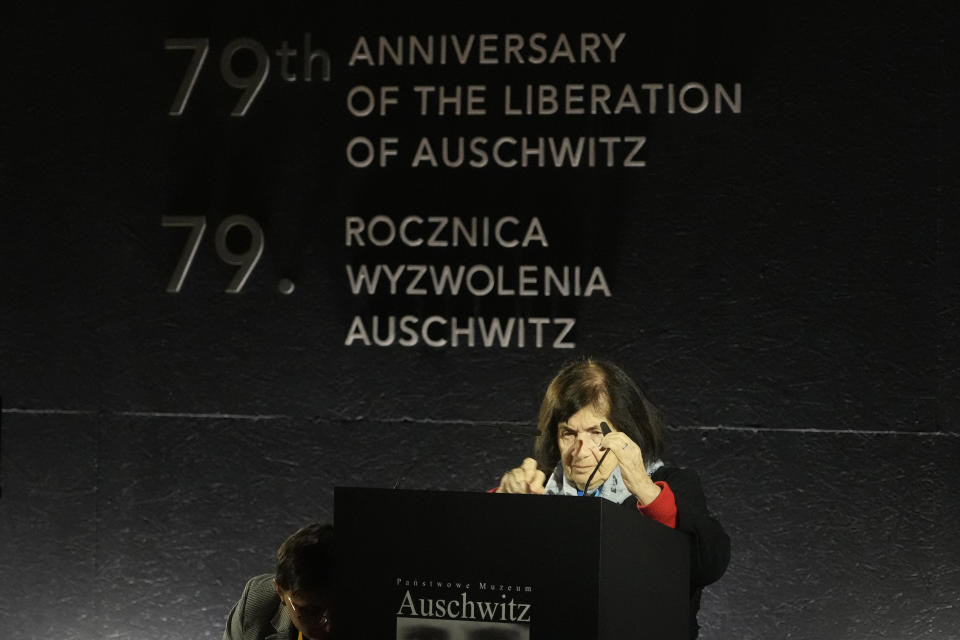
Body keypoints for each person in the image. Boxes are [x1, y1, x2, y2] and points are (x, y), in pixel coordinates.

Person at [496, 358, 729, 639]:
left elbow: (707, 564)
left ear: (628, 432)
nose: (581, 452)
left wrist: (645, 489)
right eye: (568, 434)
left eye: (596, 433)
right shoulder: (537, 488)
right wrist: (502, 504)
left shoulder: (671, 484)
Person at [223, 522, 335, 640]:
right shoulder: (255, 607)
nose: (330, 627)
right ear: (280, 591)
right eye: (312, 611)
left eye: (340, 608)